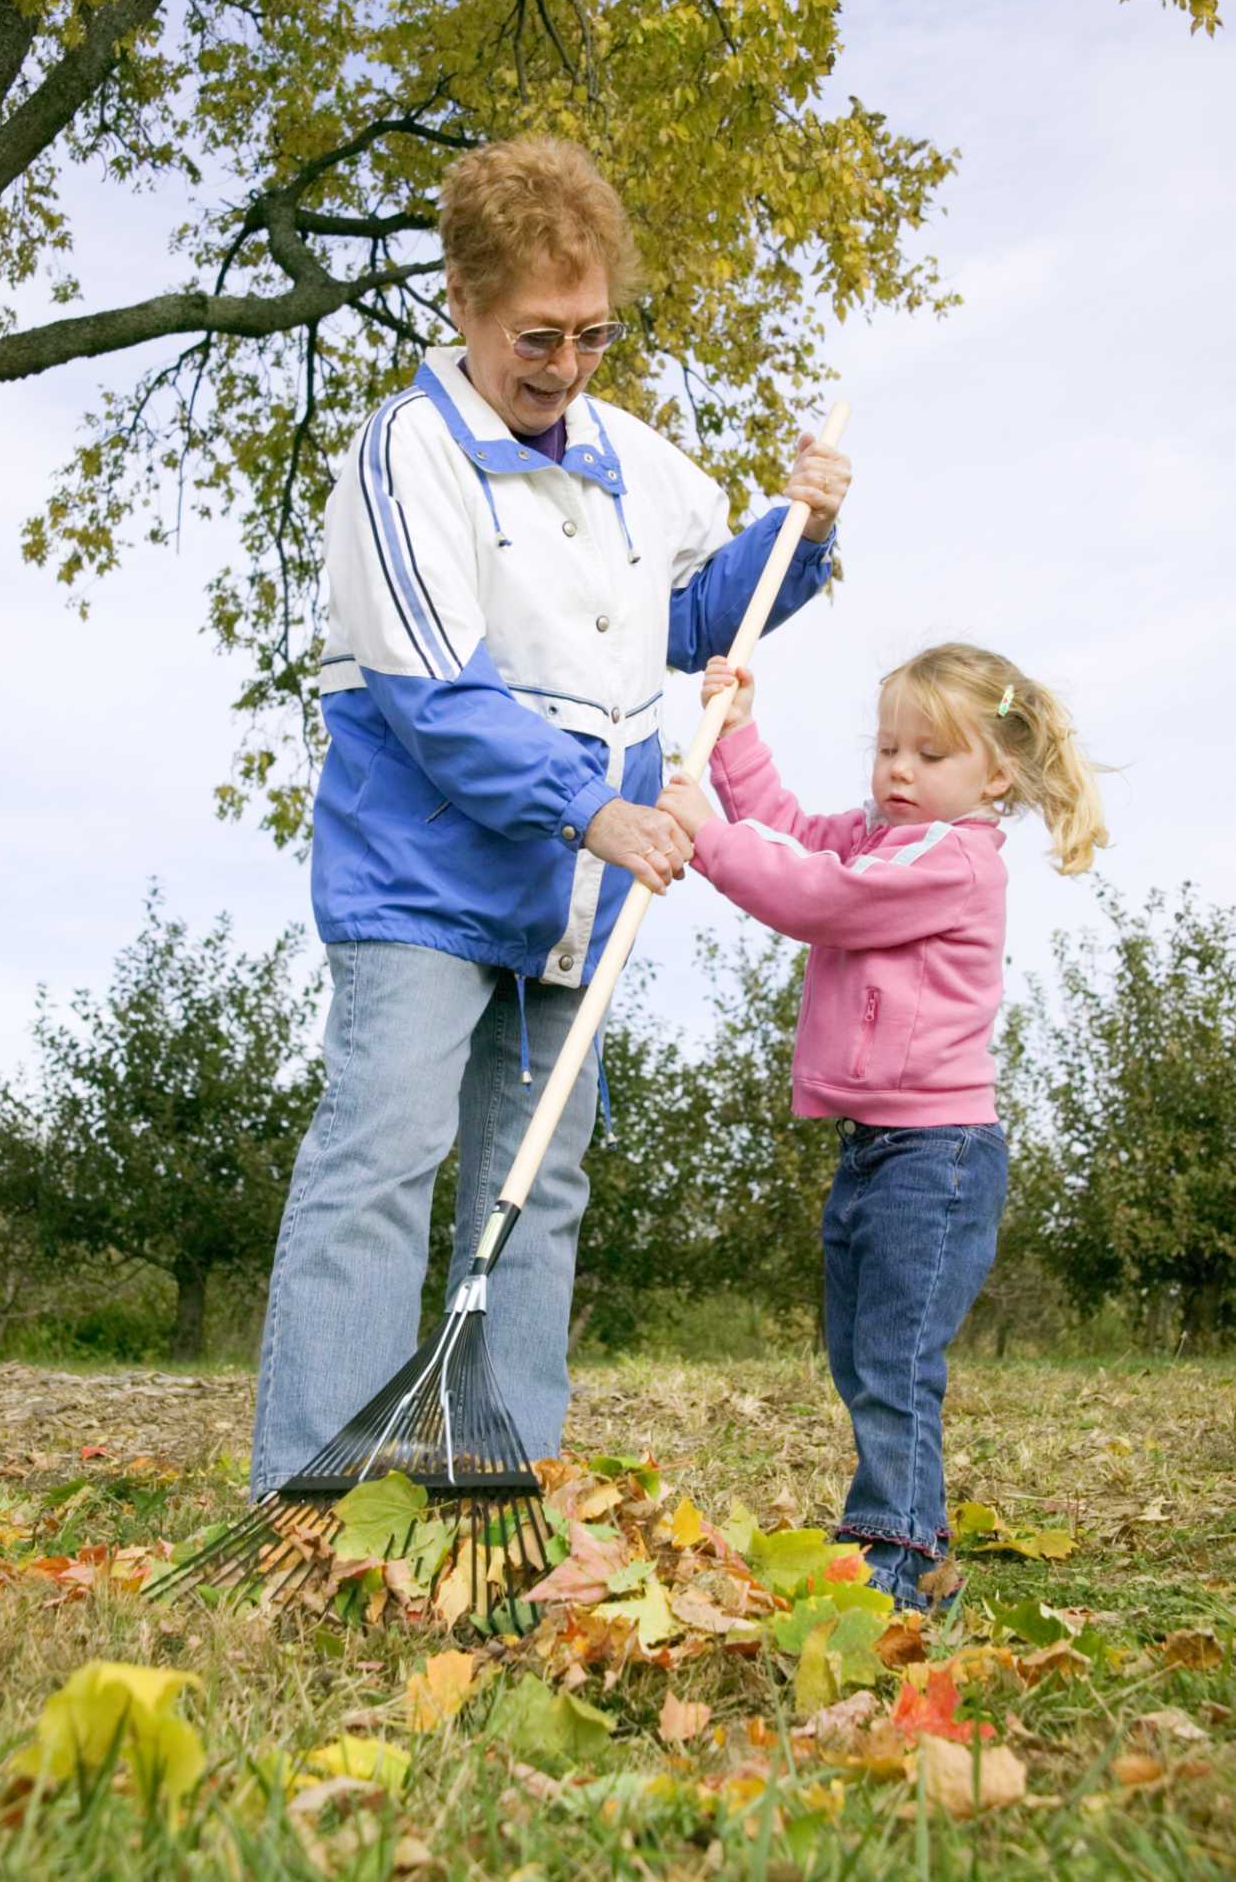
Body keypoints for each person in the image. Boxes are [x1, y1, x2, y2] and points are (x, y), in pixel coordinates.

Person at [250, 135, 852, 1495]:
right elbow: (432, 699)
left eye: (592, 334)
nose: (566, 365)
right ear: (461, 302)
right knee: (381, 1161)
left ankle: (491, 1465)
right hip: (422, 883)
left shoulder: (631, 456)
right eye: (537, 335)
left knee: (537, 1184)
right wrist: (592, 811)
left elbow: (696, 617)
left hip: (572, 900)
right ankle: (314, 1482)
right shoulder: (406, 457)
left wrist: (796, 537)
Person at [656, 640, 1106, 1608]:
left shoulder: (953, 862)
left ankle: (893, 1553)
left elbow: (816, 895)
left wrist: (704, 834)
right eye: (888, 747)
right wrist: (735, 741)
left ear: (996, 773)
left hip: (937, 1157)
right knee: (862, 1354)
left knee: (895, 1360)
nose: (898, 769)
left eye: (930, 754)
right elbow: (790, 833)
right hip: (878, 1145)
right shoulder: (884, 835)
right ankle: (918, 1535)